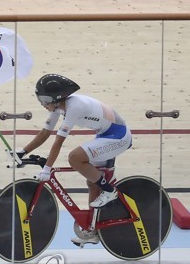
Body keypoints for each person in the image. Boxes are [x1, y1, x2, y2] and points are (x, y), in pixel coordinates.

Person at [14, 73, 131, 246]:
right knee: (93, 182)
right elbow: (45, 133)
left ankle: (109, 191)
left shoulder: (75, 107)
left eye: (45, 99)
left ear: (57, 97)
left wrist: (47, 169)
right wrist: (22, 152)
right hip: (106, 134)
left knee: (75, 158)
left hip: (118, 137)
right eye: (40, 99)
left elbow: (59, 141)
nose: (43, 103)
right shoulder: (58, 107)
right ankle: (92, 231)